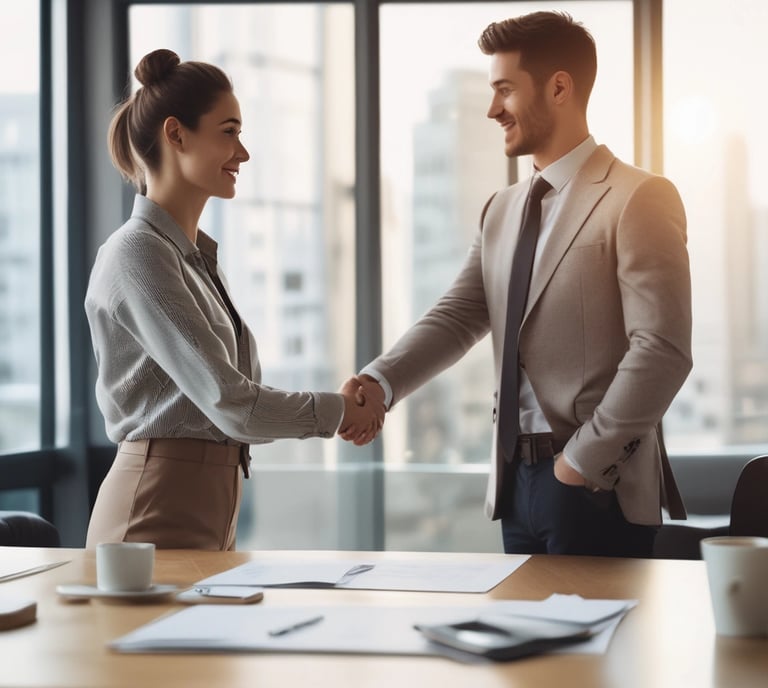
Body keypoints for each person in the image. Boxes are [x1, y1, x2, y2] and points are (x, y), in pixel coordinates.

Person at [342, 11, 692, 557]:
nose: (491, 109)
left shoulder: (637, 197)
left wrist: (579, 465)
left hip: (597, 486)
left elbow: (662, 350)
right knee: (526, 641)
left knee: (596, 645)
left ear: (558, 88)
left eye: (504, 89)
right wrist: (378, 383)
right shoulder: (501, 210)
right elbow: (458, 316)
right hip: (514, 486)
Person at [85, 49, 383, 550]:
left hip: (214, 507)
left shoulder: (194, 259)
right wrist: (338, 411)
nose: (242, 154)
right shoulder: (137, 253)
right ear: (176, 134)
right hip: (154, 510)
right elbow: (232, 404)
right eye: (228, 132)